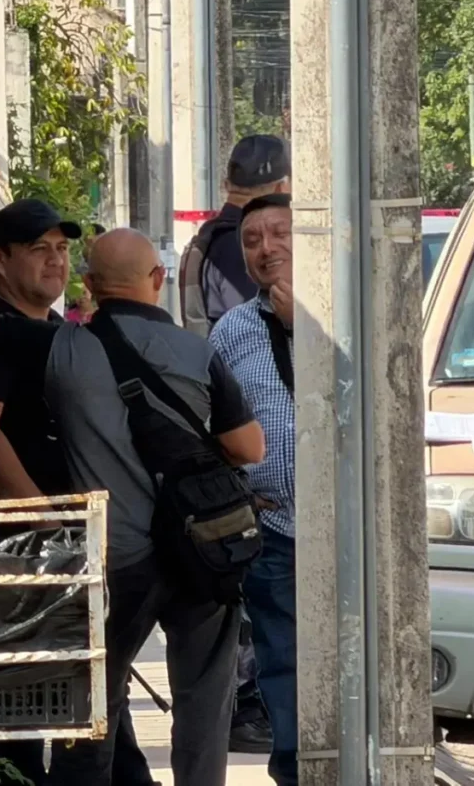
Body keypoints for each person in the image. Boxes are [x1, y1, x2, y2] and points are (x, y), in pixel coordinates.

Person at [0, 228, 265, 786]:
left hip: (116, 559)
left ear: (90, 285)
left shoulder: (64, 349)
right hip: (205, 552)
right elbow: (249, 447)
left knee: (92, 707)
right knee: (204, 702)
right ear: (157, 280)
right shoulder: (198, 351)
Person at [0, 200, 157, 786]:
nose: (55, 261)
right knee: (27, 697)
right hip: (21, 545)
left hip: (76, 539)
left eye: (62, 249)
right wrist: (46, 520)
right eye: (39, 249)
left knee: (93, 688)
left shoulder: (58, 332)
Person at [178, 134, 289, 753]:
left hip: (255, 479)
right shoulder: (234, 263)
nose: (266, 247)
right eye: (258, 237)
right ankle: (250, 710)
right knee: (261, 635)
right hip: (250, 486)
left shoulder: (208, 242)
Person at [209, 194, 297, 786]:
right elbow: (208, 425)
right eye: (251, 240)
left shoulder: (357, 311)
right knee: (283, 665)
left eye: (278, 234)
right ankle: (294, 773)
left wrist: (300, 325)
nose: (265, 249)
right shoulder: (231, 330)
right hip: (274, 529)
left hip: (353, 526)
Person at [180, 134, 291, 338]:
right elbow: (259, 329)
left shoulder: (213, 237)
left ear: (226, 185)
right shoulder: (242, 246)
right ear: (282, 189)